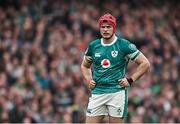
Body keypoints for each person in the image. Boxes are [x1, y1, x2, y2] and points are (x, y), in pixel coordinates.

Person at [81, 13, 150, 123]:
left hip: (116, 93)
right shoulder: (94, 46)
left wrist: (130, 80)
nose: (105, 29)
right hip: (98, 92)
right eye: (102, 27)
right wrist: (89, 79)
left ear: (114, 28)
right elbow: (85, 66)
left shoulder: (123, 45)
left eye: (108, 27)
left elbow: (145, 63)